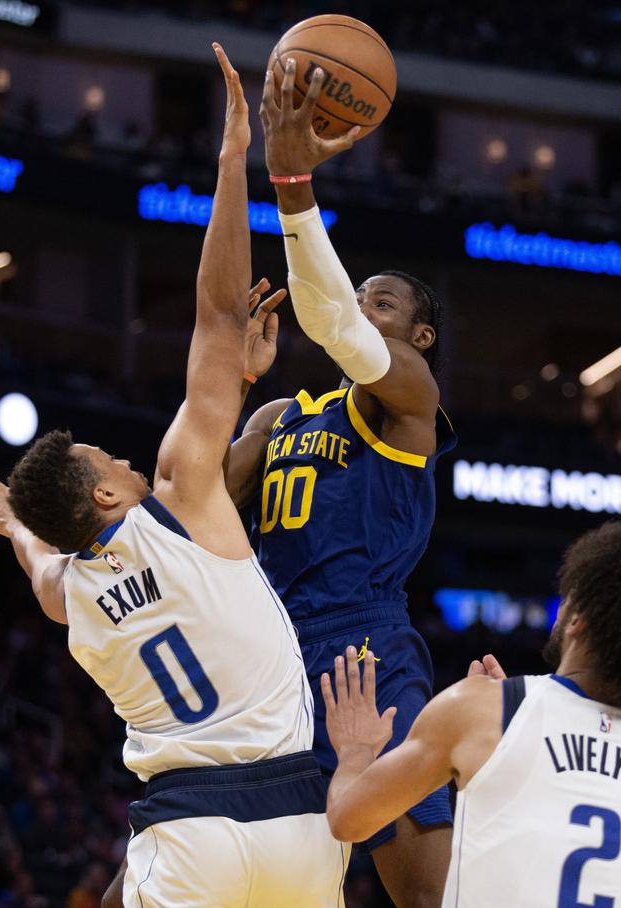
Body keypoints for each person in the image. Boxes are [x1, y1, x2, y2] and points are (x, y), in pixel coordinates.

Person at [0, 45, 346, 908]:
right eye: (112, 463)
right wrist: (231, 156)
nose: (132, 461)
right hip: (297, 822)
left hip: (190, 835)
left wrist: (16, 528)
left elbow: (43, 571)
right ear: (103, 495)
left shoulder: (76, 602)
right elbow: (217, 313)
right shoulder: (179, 497)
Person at [225, 58, 457, 906]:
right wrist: (234, 387)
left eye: (384, 303)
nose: (364, 305)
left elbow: (332, 323)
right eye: (362, 293)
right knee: (172, 870)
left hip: (364, 648)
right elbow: (201, 511)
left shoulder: (409, 401)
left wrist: (291, 183)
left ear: (419, 336)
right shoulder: (280, 415)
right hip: (269, 648)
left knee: (422, 892)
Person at [322, 521, 621, 907]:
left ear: (578, 620)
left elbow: (348, 820)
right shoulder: (497, 710)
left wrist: (356, 753)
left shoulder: (483, 709)